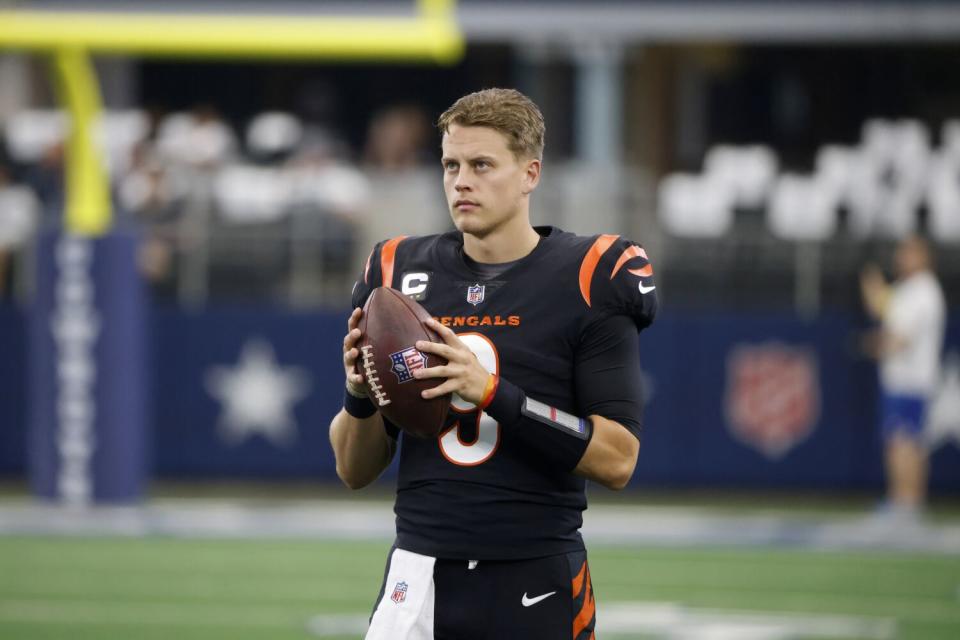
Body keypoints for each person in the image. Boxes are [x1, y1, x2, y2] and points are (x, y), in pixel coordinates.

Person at [329, 88, 657, 639]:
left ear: (530, 174)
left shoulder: (589, 274)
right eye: (450, 165)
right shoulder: (397, 271)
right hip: (418, 574)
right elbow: (353, 471)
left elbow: (618, 459)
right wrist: (360, 394)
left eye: (482, 165)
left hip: (534, 577)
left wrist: (492, 393)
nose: (461, 181)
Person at [860, 234, 946, 519]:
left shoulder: (924, 291)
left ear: (925, 257)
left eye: (910, 252)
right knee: (901, 442)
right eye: (902, 252)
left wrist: (875, 344)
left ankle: (907, 503)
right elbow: (882, 306)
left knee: (904, 443)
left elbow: (901, 339)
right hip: (902, 380)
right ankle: (903, 501)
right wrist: (871, 282)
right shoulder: (907, 289)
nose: (902, 257)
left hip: (912, 381)